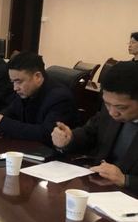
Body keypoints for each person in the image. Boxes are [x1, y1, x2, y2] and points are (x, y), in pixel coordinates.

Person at [52, 61, 138, 193]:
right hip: (98, 188)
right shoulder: (110, 109)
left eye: (121, 107)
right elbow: (89, 133)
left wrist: (125, 180)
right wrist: (69, 139)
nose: (112, 112)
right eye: (107, 104)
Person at [0, 52, 77, 144]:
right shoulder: (26, 91)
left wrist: (3, 123)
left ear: (37, 77)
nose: (15, 88)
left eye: (19, 81)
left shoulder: (60, 98)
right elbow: (12, 111)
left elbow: (47, 134)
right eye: (13, 82)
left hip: (47, 151)